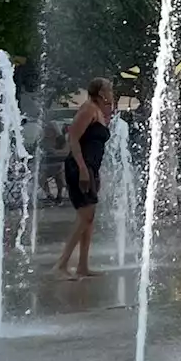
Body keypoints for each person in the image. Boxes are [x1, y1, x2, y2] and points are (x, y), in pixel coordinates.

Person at [55, 79, 114, 278]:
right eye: (108, 88)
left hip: (90, 167)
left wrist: (95, 173)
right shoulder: (88, 109)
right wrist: (82, 168)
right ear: (100, 92)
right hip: (79, 166)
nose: (111, 91)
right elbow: (73, 138)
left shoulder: (99, 111)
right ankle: (61, 265)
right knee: (85, 217)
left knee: (89, 219)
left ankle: (82, 266)